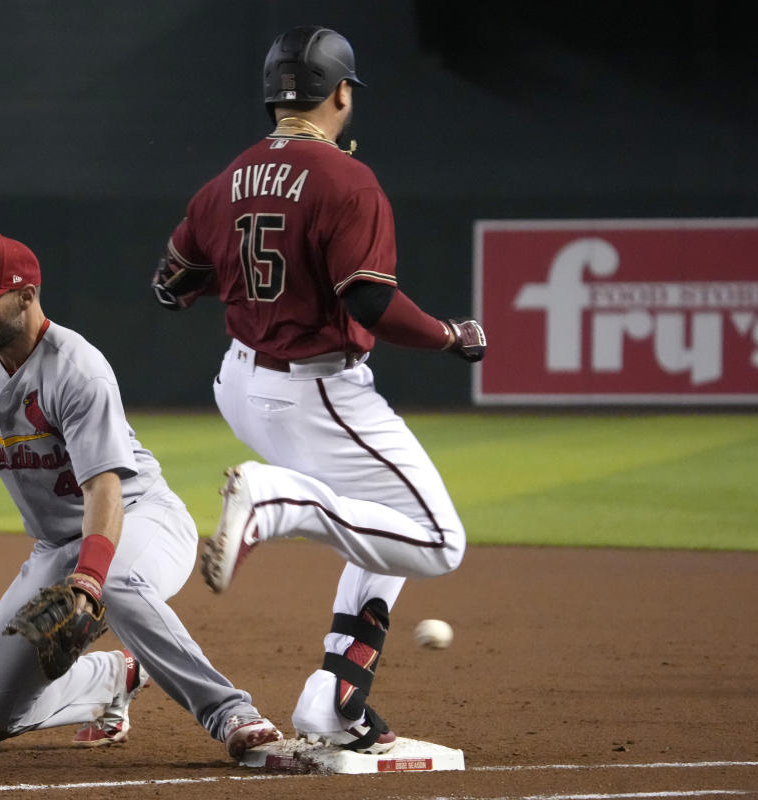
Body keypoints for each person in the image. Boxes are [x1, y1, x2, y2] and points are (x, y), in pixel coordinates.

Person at [150, 25, 487, 754]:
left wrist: (239, 275)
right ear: (341, 93)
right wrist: (448, 335)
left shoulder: (227, 180)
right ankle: (276, 501)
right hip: (315, 388)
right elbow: (369, 304)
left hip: (242, 381)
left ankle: (335, 698)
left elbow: (169, 285)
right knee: (437, 541)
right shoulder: (346, 180)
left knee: (383, 523)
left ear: (274, 98)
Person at [0, 233, 281, 761]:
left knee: (115, 582)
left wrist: (89, 578)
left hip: (140, 518)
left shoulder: (77, 369)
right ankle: (113, 678)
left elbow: (105, 488)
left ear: (26, 296)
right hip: (55, 546)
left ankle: (230, 711)